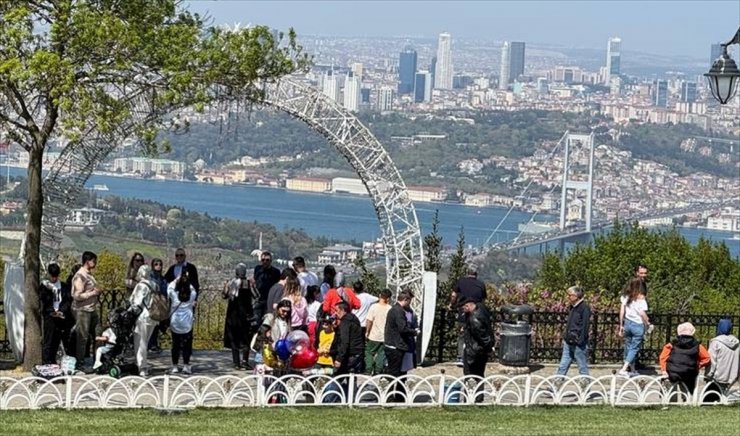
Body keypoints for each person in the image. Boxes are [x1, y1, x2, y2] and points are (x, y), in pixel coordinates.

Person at [384, 290, 418, 402]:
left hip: (393, 344)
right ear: (406, 300)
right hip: (396, 346)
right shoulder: (399, 311)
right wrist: (414, 332)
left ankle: (399, 396)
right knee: (395, 373)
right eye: (409, 301)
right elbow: (402, 329)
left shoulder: (393, 310)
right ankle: (390, 397)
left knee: (398, 372)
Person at [450, 264, 487, 366]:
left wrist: (452, 304)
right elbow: (483, 300)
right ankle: (474, 355)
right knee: (475, 334)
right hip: (476, 313)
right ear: (476, 273)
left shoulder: (461, 282)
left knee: (462, 334)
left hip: (463, 311)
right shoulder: (481, 284)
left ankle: (461, 357)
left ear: (467, 272)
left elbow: (453, 295)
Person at [659, 322, 711, 395]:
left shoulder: (672, 344)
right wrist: (698, 365)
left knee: (669, 383)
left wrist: (664, 370)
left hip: (672, 372)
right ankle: (686, 398)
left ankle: (670, 398)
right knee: (688, 385)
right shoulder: (698, 345)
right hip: (689, 373)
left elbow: (663, 357)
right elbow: (707, 358)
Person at [72, 251, 102, 371]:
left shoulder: (89, 275)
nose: (95, 263)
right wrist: (93, 293)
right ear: (87, 261)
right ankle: (80, 363)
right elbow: (77, 295)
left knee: (98, 334)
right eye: (93, 261)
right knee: (82, 337)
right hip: (83, 310)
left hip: (92, 309)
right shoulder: (80, 276)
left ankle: (98, 360)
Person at [40, 263, 73, 364]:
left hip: (61, 316)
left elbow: (67, 300)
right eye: (52, 276)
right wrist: (52, 312)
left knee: (57, 340)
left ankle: (54, 360)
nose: (54, 278)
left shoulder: (64, 286)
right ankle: (46, 362)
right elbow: (44, 301)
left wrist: (61, 311)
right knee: (48, 340)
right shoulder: (44, 286)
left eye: (56, 276)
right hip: (50, 317)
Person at [222, 263, 254, 370]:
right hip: (246, 314)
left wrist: (226, 286)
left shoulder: (231, 283)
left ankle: (236, 362)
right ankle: (244, 361)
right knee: (246, 339)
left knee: (234, 339)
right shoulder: (249, 284)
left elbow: (224, 295)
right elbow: (257, 295)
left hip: (233, 315)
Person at [129, 264, 159, 377]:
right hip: (153, 317)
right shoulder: (154, 284)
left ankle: (142, 367)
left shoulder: (141, 286)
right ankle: (141, 363)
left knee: (140, 342)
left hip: (142, 317)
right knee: (145, 342)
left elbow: (137, 303)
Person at [618, 278, 651, 377]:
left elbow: (622, 311)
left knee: (628, 346)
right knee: (634, 348)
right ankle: (624, 368)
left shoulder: (626, 297)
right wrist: (648, 322)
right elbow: (642, 313)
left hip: (628, 323)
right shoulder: (641, 299)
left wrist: (621, 325)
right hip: (638, 324)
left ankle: (632, 369)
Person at [556, 286, 591, 377]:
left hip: (578, 343)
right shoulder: (572, 307)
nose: (568, 297)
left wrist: (580, 340)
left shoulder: (584, 308)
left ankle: (586, 389)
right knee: (562, 366)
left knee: (582, 367)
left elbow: (585, 326)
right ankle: (555, 387)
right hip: (568, 341)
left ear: (576, 296)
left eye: (569, 295)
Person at [168, 273, 197, 375]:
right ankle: (185, 365)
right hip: (187, 323)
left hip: (175, 322)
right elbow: (193, 289)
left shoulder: (174, 294)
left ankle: (175, 366)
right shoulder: (192, 294)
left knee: (175, 345)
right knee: (186, 345)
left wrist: (176, 280)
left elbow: (170, 287)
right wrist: (187, 280)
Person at [460, 297, 494, 379]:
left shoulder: (475, 319)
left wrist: (489, 350)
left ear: (468, 306)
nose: (462, 310)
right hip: (478, 351)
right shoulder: (481, 309)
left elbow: (482, 337)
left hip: (474, 352)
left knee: (472, 375)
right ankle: (477, 390)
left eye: (463, 308)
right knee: (479, 375)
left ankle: (474, 391)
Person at [330, 301, 365, 375]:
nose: (335, 313)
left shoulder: (345, 322)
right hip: (357, 352)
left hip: (350, 354)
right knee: (350, 377)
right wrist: (336, 328)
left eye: (336, 311)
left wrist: (339, 359)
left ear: (342, 310)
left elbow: (344, 341)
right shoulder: (353, 318)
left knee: (337, 377)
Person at [707, 318, 739, 396]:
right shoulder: (736, 343)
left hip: (718, 376)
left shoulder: (716, 342)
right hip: (732, 376)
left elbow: (712, 361)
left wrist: (708, 375)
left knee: (709, 397)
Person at [365, 288, 392, 375]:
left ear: (380, 296)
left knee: (369, 352)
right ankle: (378, 369)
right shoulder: (389, 309)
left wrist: (367, 331)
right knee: (381, 353)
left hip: (374, 335)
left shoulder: (374, 307)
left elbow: (369, 321)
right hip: (384, 336)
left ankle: (369, 369)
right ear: (388, 298)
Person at [148, 258, 169, 353]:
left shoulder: (162, 278)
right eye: (156, 264)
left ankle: (154, 344)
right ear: (152, 266)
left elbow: (165, 290)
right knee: (151, 324)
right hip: (152, 304)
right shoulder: (150, 278)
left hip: (160, 304)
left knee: (157, 325)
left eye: (160, 264)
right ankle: (150, 344)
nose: (158, 266)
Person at [252, 251, 281, 320]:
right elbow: (255, 280)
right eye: (263, 260)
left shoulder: (276, 272)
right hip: (259, 299)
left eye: (267, 260)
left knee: (268, 319)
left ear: (270, 261)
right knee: (256, 319)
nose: (265, 262)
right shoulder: (258, 269)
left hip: (270, 299)